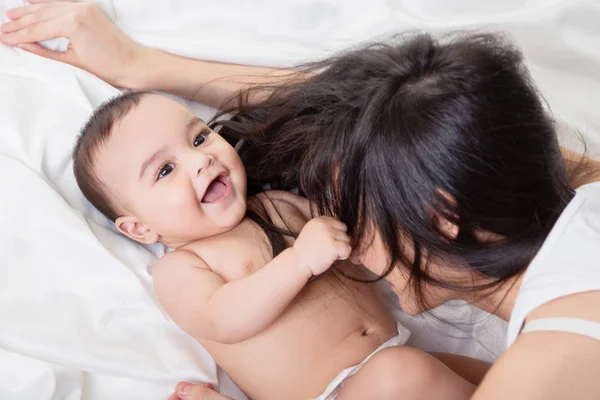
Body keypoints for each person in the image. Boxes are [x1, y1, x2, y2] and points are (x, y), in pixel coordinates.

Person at [4, 1, 600, 399]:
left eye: (200, 137)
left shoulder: (543, 372)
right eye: (164, 168)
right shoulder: (579, 183)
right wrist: (143, 66)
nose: (347, 238)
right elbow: (384, 117)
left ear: (441, 216)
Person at [71, 89, 481, 400]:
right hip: (335, 392)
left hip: (395, 353)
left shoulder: (274, 204)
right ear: (139, 229)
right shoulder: (181, 267)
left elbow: (348, 244)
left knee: (499, 373)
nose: (200, 160)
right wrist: (300, 260)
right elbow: (224, 318)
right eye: (165, 170)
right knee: (402, 374)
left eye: (199, 139)